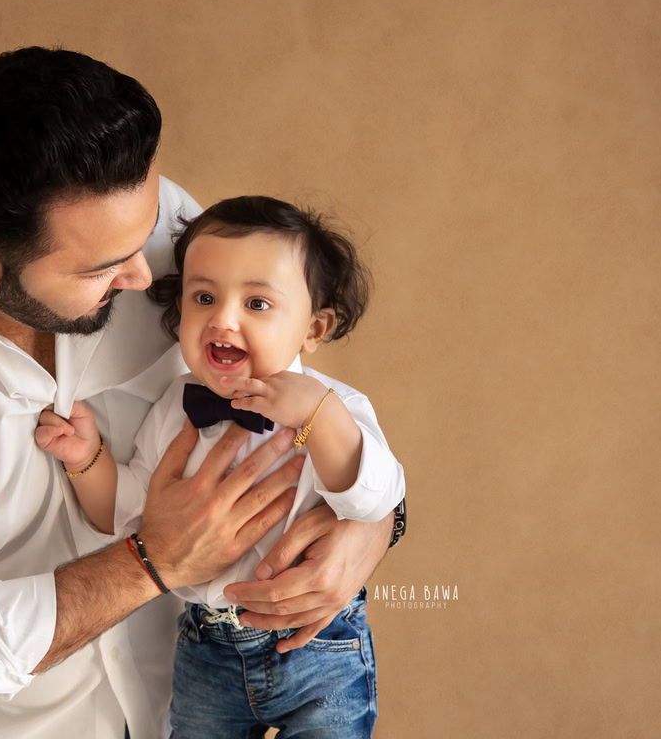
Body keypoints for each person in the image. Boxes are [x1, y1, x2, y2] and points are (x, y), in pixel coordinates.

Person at [0, 47, 400, 739]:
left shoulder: (132, 220)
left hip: (184, 707)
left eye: (148, 233)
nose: (147, 275)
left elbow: (302, 401)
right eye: (105, 268)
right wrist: (152, 561)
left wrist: (373, 525)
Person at [37, 195, 405, 736]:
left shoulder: (337, 408)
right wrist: (87, 458)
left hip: (319, 646)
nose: (224, 319)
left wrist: (319, 418)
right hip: (208, 650)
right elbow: (130, 512)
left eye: (257, 303)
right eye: (204, 297)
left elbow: (374, 500)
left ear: (314, 329)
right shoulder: (176, 406)